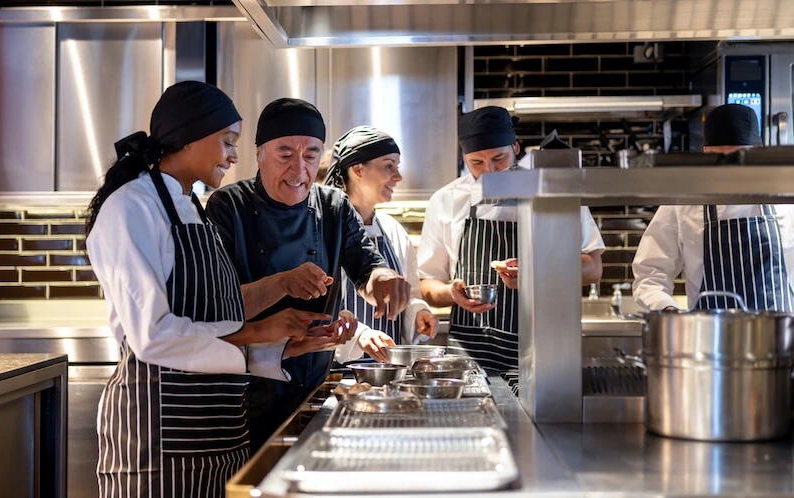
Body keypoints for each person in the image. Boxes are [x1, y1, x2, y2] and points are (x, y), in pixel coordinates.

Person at [86, 82, 350, 498]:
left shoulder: (192, 209)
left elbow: (211, 319)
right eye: (228, 141)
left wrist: (286, 347)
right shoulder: (131, 207)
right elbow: (154, 336)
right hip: (161, 437)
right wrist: (258, 332)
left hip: (220, 436)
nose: (235, 155)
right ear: (189, 138)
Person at [205, 98, 410, 451]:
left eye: (311, 155)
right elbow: (218, 306)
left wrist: (385, 280)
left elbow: (366, 266)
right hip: (243, 396)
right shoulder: (228, 207)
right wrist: (282, 282)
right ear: (260, 154)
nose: (300, 169)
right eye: (285, 154)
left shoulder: (334, 206)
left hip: (313, 391)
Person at [418, 106, 605, 371]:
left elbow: (593, 268)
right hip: (471, 359)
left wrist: (534, 271)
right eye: (477, 163)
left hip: (543, 354)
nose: (490, 172)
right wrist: (451, 293)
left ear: (516, 148)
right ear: (464, 157)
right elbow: (428, 284)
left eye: (499, 158)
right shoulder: (446, 201)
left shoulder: (552, 193)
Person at [632, 104, 794, 311]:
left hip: (780, 337)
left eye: (739, 157)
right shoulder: (684, 204)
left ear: (758, 151)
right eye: (719, 158)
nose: (730, 170)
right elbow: (649, 276)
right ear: (706, 153)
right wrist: (667, 310)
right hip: (710, 337)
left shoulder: (786, 200)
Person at [324, 126, 438, 362]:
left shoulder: (393, 230)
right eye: (389, 166)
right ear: (358, 170)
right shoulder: (323, 231)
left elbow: (411, 294)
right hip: (332, 375)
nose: (398, 177)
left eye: (397, 167)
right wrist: (357, 336)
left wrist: (418, 312)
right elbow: (316, 312)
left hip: (387, 375)